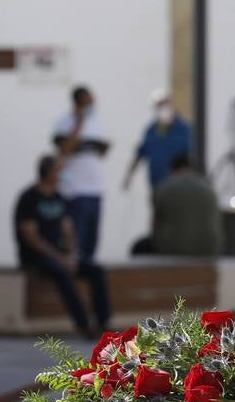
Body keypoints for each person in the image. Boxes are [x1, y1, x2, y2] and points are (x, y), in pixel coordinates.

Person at [15, 155, 112, 339]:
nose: (63, 174)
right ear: (49, 172)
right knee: (62, 273)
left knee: (96, 270)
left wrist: (73, 254)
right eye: (60, 170)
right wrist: (60, 259)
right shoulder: (30, 198)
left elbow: (68, 229)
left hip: (61, 256)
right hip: (37, 257)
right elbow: (31, 236)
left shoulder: (59, 197)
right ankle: (84, 325)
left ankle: (103, 322)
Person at [52, 85, 110, 264]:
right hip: (74, 190)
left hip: (95, 189)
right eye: (88, 102)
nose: (92, 106)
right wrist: (79, 124)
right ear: (79, 102)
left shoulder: (97, 123)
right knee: (77, 239)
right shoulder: (64, 123)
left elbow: (100, 152)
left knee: (92, 240)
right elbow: (65, 150)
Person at [131, 154, 221, 257]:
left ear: (172, 169)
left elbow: (156, 226)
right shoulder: (209, 190)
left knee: (139, 247)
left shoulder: (165, 187)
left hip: (173, 249)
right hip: (208, 249)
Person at [124, 88, 193, 194]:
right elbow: (140, 154)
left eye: (164, 104)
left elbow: (193, 157)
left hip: (179, 188)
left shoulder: (185, 129)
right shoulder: (151, 130)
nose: (162, 108)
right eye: (158, 106)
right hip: (156, 185)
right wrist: (128, 178)